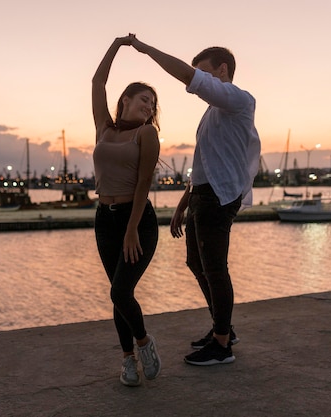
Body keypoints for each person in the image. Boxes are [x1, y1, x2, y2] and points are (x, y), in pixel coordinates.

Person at [129, 35, 261, 366]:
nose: (198, 79)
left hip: (219, 197)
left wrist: (147, 49)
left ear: (223, 69)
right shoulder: (213, 113)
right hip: (203, 194)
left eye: (204, 72)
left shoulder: (238, 99)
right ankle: (223, 328)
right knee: (197, 262)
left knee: (215, 267)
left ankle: (222, 344)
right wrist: (182, 205)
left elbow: (190, 79)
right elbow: (204, 163)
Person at [91, 35, 162, 386]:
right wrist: (117, 45)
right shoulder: (104, 128)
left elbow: (144, 183)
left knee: (120, 292)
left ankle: (144, 343)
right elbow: (97, 82)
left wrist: (133, 228)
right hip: (104, 220)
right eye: (144, 100)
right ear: (126, 100)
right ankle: (127, 359)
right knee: (119, 293)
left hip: (138, 221)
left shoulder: (146, 135)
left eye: (153, 104)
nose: (149, 107)